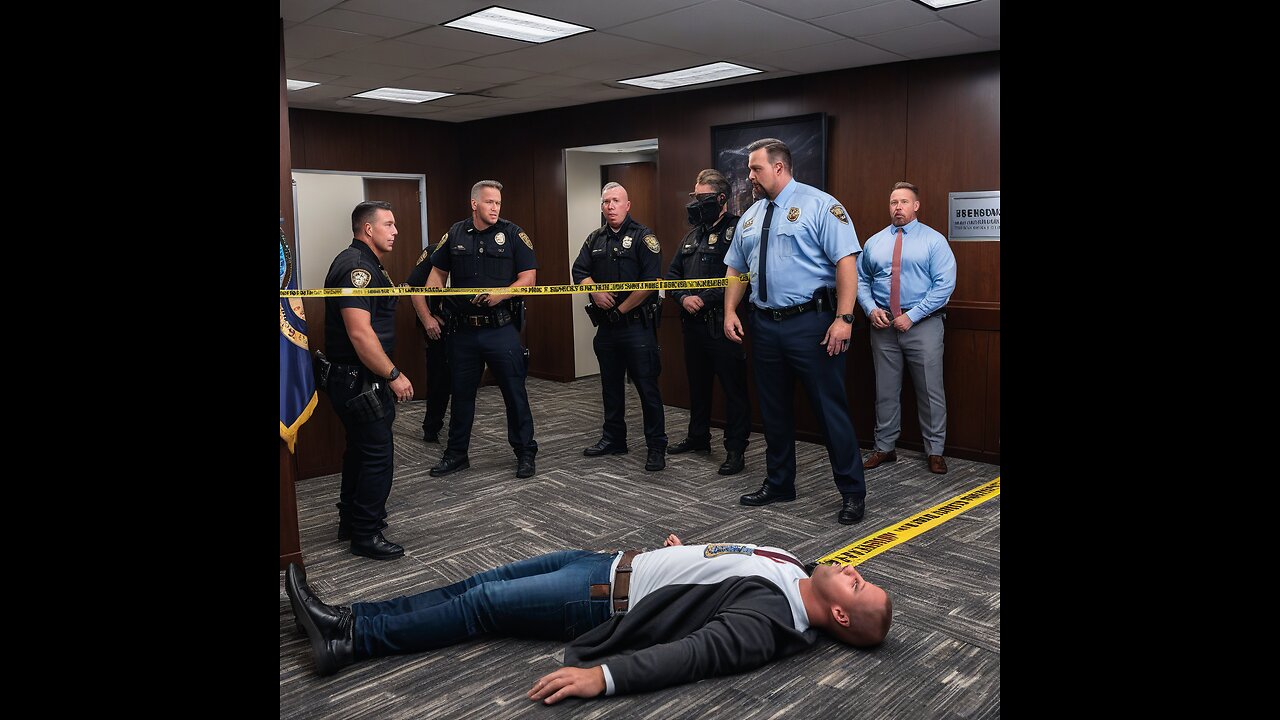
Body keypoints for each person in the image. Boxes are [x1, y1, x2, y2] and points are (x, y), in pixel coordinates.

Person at [285, 533, 892, 703]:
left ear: (839, 612)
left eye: (858, 583)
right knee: (478, 582)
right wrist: (684, 557)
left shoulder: (772, 622)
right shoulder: (795, 569)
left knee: (478, 608)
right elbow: (722, 570)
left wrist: (602, 678)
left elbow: (693, 656)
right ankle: (345, 617)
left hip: (600, 596)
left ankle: (350, 641)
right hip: (610, 561)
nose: (852, 567)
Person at [722, 138, 868, 525]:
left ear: (779, 168)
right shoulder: (751, 216)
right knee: (773, 410)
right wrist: (730, 310)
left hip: (812, 324)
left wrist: (845, 318)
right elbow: (736, 267)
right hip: (765, 324)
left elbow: (846, 263)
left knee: (829, 410)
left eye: (756, 169)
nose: (750, 175)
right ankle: (780, 482)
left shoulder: (821, 205)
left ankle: (852, 492)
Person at [424, 180, 538, 480]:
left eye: (498, 203)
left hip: (500, 328)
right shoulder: (455, 233)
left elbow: (529, 279)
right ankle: (456, 454)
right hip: (463, 332)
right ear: (474, 203)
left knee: (514, 394)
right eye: (489, 202)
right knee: (461, 395)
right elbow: (435, 276)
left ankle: (525, 452)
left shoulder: (514, 234)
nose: (495, 208)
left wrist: (501, 294)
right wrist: (441, 298)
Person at [321, 200, 415, 561]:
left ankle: (352, 520)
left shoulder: (365, 263)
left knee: (360, 453)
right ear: (368, 229)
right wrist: (393, 374)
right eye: (389, 225)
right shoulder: (357, 267)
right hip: (359, 380)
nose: (395, 231)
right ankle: (366, 534)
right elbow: (360, 334)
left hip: (355, 379)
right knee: (377, 456)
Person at [856, 182, 957, 475]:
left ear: (916, 206)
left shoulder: (933, 241)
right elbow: (861, 280)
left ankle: (935, 451)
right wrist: (870, 309)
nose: (897, 207)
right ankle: (884, 448)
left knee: (930, 390)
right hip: (883, 326)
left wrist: (912, 316)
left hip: (923, 325)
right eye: (892, 202)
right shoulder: (874, 242)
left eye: (903, 202)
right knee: (885, 390)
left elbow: (944, 286)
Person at [571, 182, 667, 472]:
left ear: (628, 205)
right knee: (610, 387)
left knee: (647, 389)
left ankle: (656, 447)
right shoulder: (594, 239)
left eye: (616, 201)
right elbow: (579, 271)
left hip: (636, 328)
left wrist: (621, 309)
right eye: (606, 202)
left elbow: (651, 283)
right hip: (608, 331)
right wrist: (595, 292)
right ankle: (614, 438)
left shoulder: (644, 237)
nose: (610, 206)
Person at [665, 169, 751, 476]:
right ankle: (698, 436)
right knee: (698, 385)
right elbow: (673, 275)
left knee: (733, 389)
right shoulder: (692, 234)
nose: (695, 204)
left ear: (721, 199)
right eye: (694, 197)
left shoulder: (739, 229)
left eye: (702, 198)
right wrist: (684, 297)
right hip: (692, 325)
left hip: (722, 323)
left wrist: (704, 297)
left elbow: (742, 276)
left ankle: (735, 449)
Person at [407, 244, 451, 445]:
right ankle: (432, 427)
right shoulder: (436, 250)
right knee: (439, 380)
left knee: (464, 383)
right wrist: (427, 320)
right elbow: (415, 289)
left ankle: (458, 430)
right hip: (440, 327)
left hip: (468, 328)